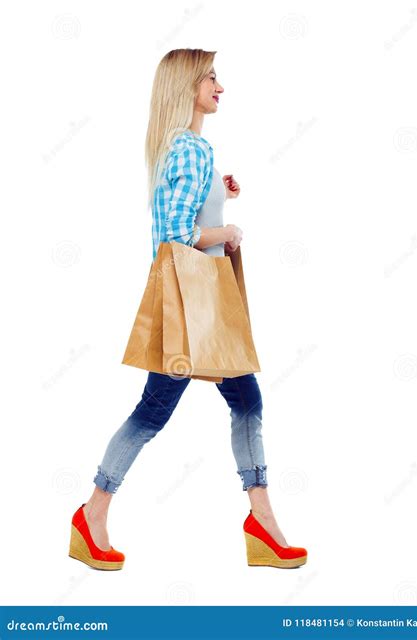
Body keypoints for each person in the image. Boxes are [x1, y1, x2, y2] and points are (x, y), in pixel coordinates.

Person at [68, 48, 307, 571]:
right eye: (213, 77)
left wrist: (220, 193)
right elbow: (173, 235)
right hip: (198, 309)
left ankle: (261, 518)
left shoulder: (186, 149)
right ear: (188, 87)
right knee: (156, 412)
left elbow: (182, 211)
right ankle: (93, 512)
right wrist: (226, 231)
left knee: (246, 401)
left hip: (203, 307)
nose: (221, 86)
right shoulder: (191, 149)